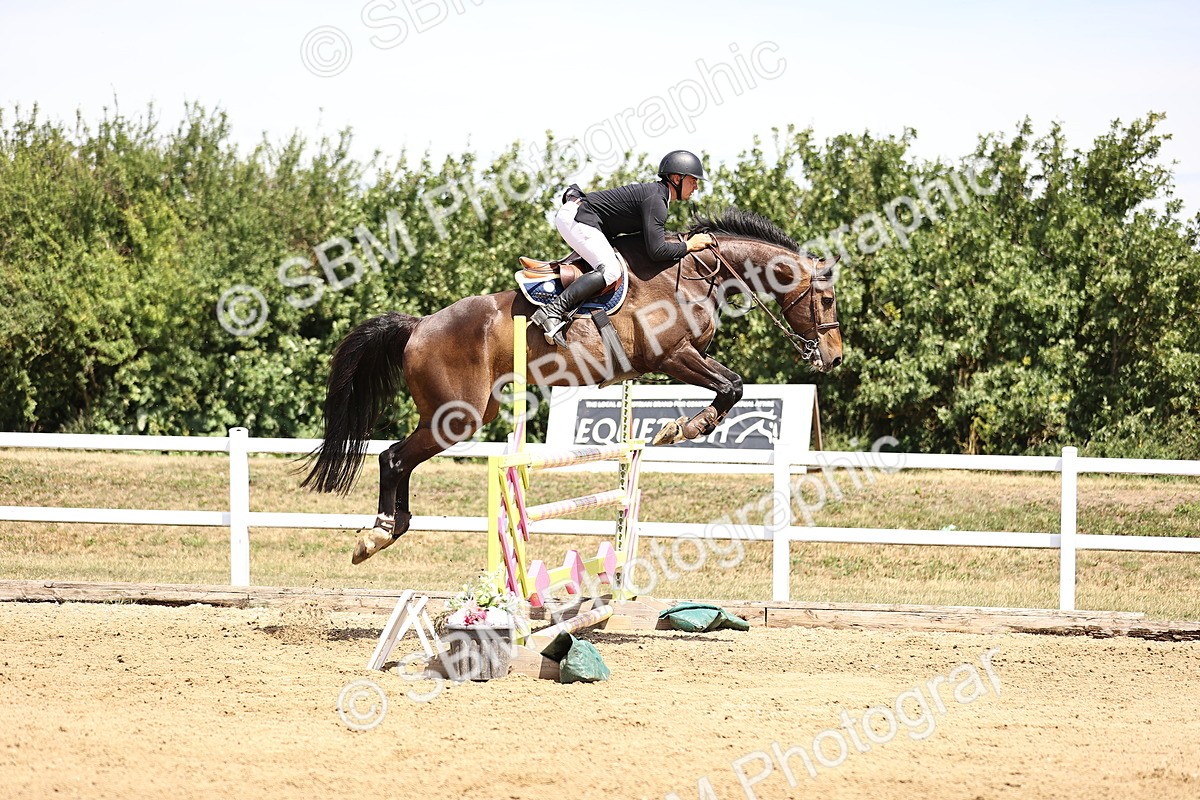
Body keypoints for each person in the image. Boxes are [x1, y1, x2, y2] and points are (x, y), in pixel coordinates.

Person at [531, 149, 716, 345]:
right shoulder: (656, 201)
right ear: (677, 178)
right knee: (610, 271)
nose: (696, 186)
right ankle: (552, 311)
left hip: (585, 218)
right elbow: (657, 251)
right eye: (693, 180)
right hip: (578, 218)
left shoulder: (658, 197)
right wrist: (689, 245)